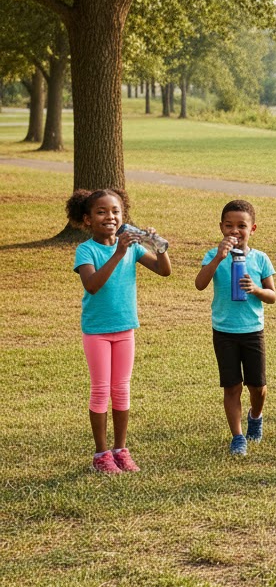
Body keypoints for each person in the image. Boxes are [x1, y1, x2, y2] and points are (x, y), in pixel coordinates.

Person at [66, 188, 172, 473]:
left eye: (115, 211)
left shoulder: (135, 247)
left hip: (126, 328)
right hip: (97, 331)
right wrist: (119, 252)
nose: (110, 217)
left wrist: (159, 247)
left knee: (121, 390)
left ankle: (120, 450)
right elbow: (92, 284)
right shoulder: (86, 250)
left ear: (123, 215)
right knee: (101, 390)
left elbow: (164, 271)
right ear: (87, 219)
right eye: (101, 212)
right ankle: (101, 455)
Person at [195, 199, 276, 456]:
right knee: (232, 386)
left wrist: (256, 289)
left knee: (258, 387)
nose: (234, 230)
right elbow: (199, 284)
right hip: (224, 331)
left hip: (252, 330)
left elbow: (272, 295)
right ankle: (238, 436)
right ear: (221, 227)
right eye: (229, 225)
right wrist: (219, 257)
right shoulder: (213, 255)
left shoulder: (260, 258)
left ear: (252, 229)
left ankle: (256, 416)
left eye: (241, 225)